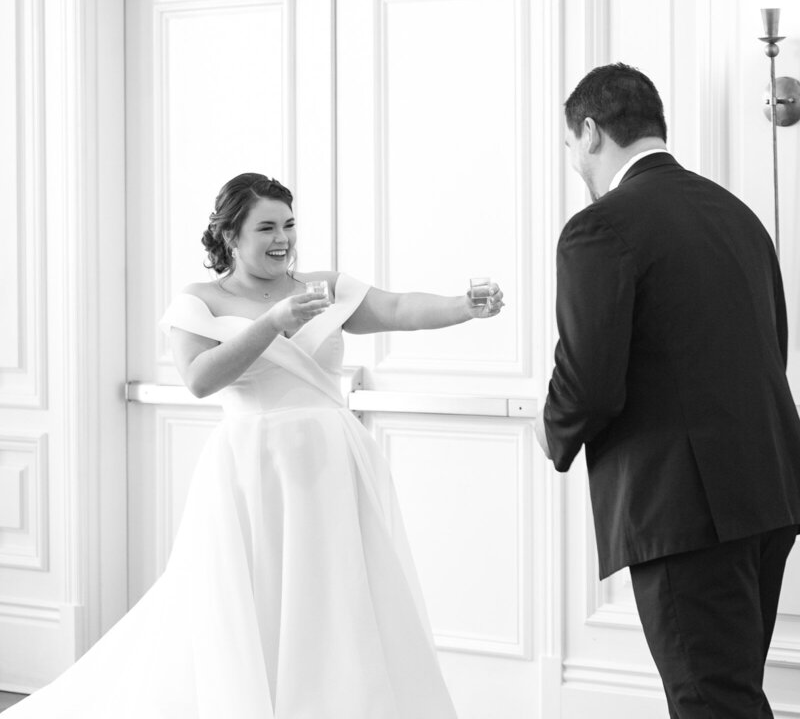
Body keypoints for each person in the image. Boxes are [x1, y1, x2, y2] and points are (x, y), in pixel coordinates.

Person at [6, 173, 502, 718]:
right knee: (255, 599)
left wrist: (464, 306)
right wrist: (272, 322)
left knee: (336, 596)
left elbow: (400, 308)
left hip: (331, 464)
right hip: (254, 469)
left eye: (289, 224)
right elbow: (199, 378)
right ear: (229, 236)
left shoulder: (322, 287)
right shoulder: (200, 301)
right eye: (266, 226)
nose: (282, 238)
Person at [535, 63, 800, 719]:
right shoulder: (737, 215)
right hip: (768, 493)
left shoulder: (598, 228)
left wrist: (550, 427)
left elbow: (589, 382)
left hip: (685, 511)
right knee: (729, 696)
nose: (572, 162)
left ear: (589, 132)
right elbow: (771, 350)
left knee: (710, 704)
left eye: (568, 145)